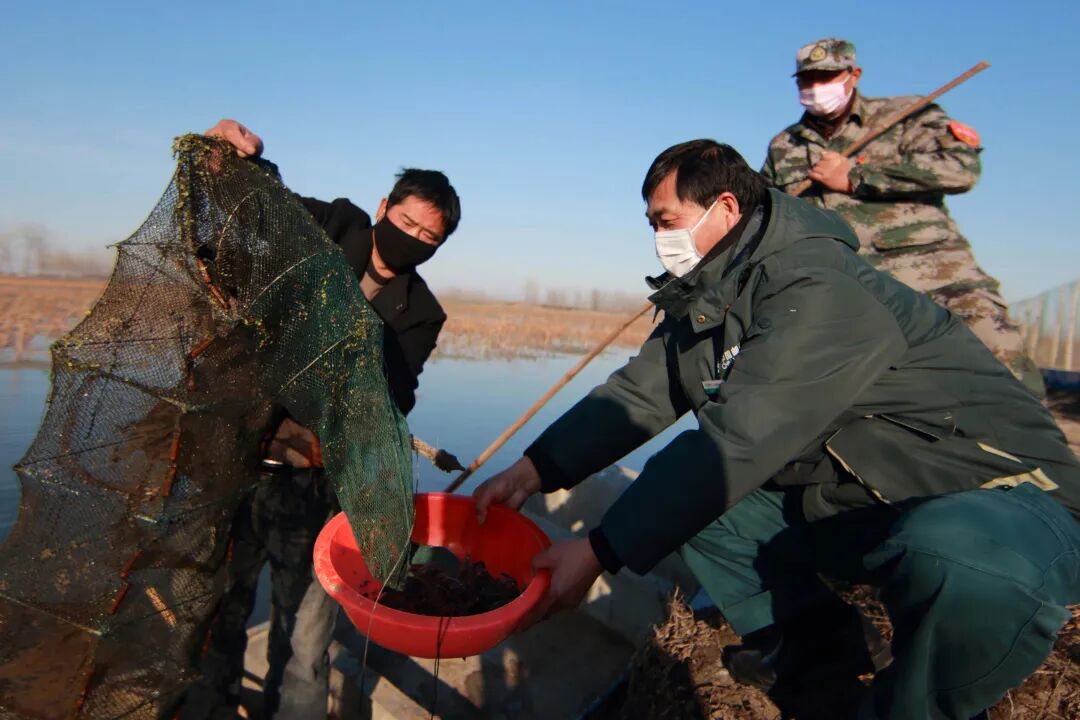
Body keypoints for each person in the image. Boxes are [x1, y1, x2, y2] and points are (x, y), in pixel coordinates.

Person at [475, 139, 1080, 719]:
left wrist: (598, 551)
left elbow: (741, 437)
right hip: (869, 493)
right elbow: (638, 393)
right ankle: (821, 650)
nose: (658, 239)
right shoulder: (712, 295)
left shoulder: (818, 285)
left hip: (1003, 496)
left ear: (725, 207)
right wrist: (534, 470)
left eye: (666, 221)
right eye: (651, 224)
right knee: (703, 512)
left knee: (960, 556)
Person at [182, 119, 460, 719]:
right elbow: (258, 209)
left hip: (313, 483)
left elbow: (399, 393)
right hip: (236, 462)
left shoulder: (421, 312)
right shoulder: (332, 225)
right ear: (383, 208)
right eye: (406, 222)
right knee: (218, 612)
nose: (411, 239)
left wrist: (354, 358)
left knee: (306, 640)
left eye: (427, 238)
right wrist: (226, 158)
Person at [760, 38, 1045, 398]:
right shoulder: (784, 146)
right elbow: (769, 212)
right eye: (807, 79)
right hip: (850, 291)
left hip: (936, 278)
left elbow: (961, 168)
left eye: (827, 76)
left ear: (854, 75)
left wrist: (856, 176)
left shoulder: (906, 116)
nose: (816, 87)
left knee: (1000, 360)